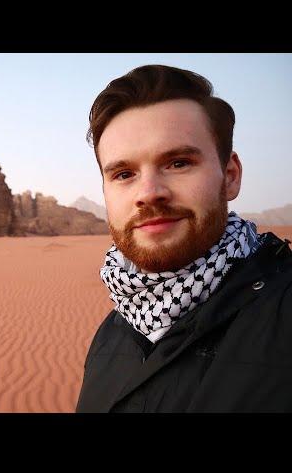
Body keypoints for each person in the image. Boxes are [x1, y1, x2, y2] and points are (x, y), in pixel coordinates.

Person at [75, 64, 292, 413]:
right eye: (124, 173)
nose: (148, 193)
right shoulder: (112, 332)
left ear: (230, 176)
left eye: (178, 163)